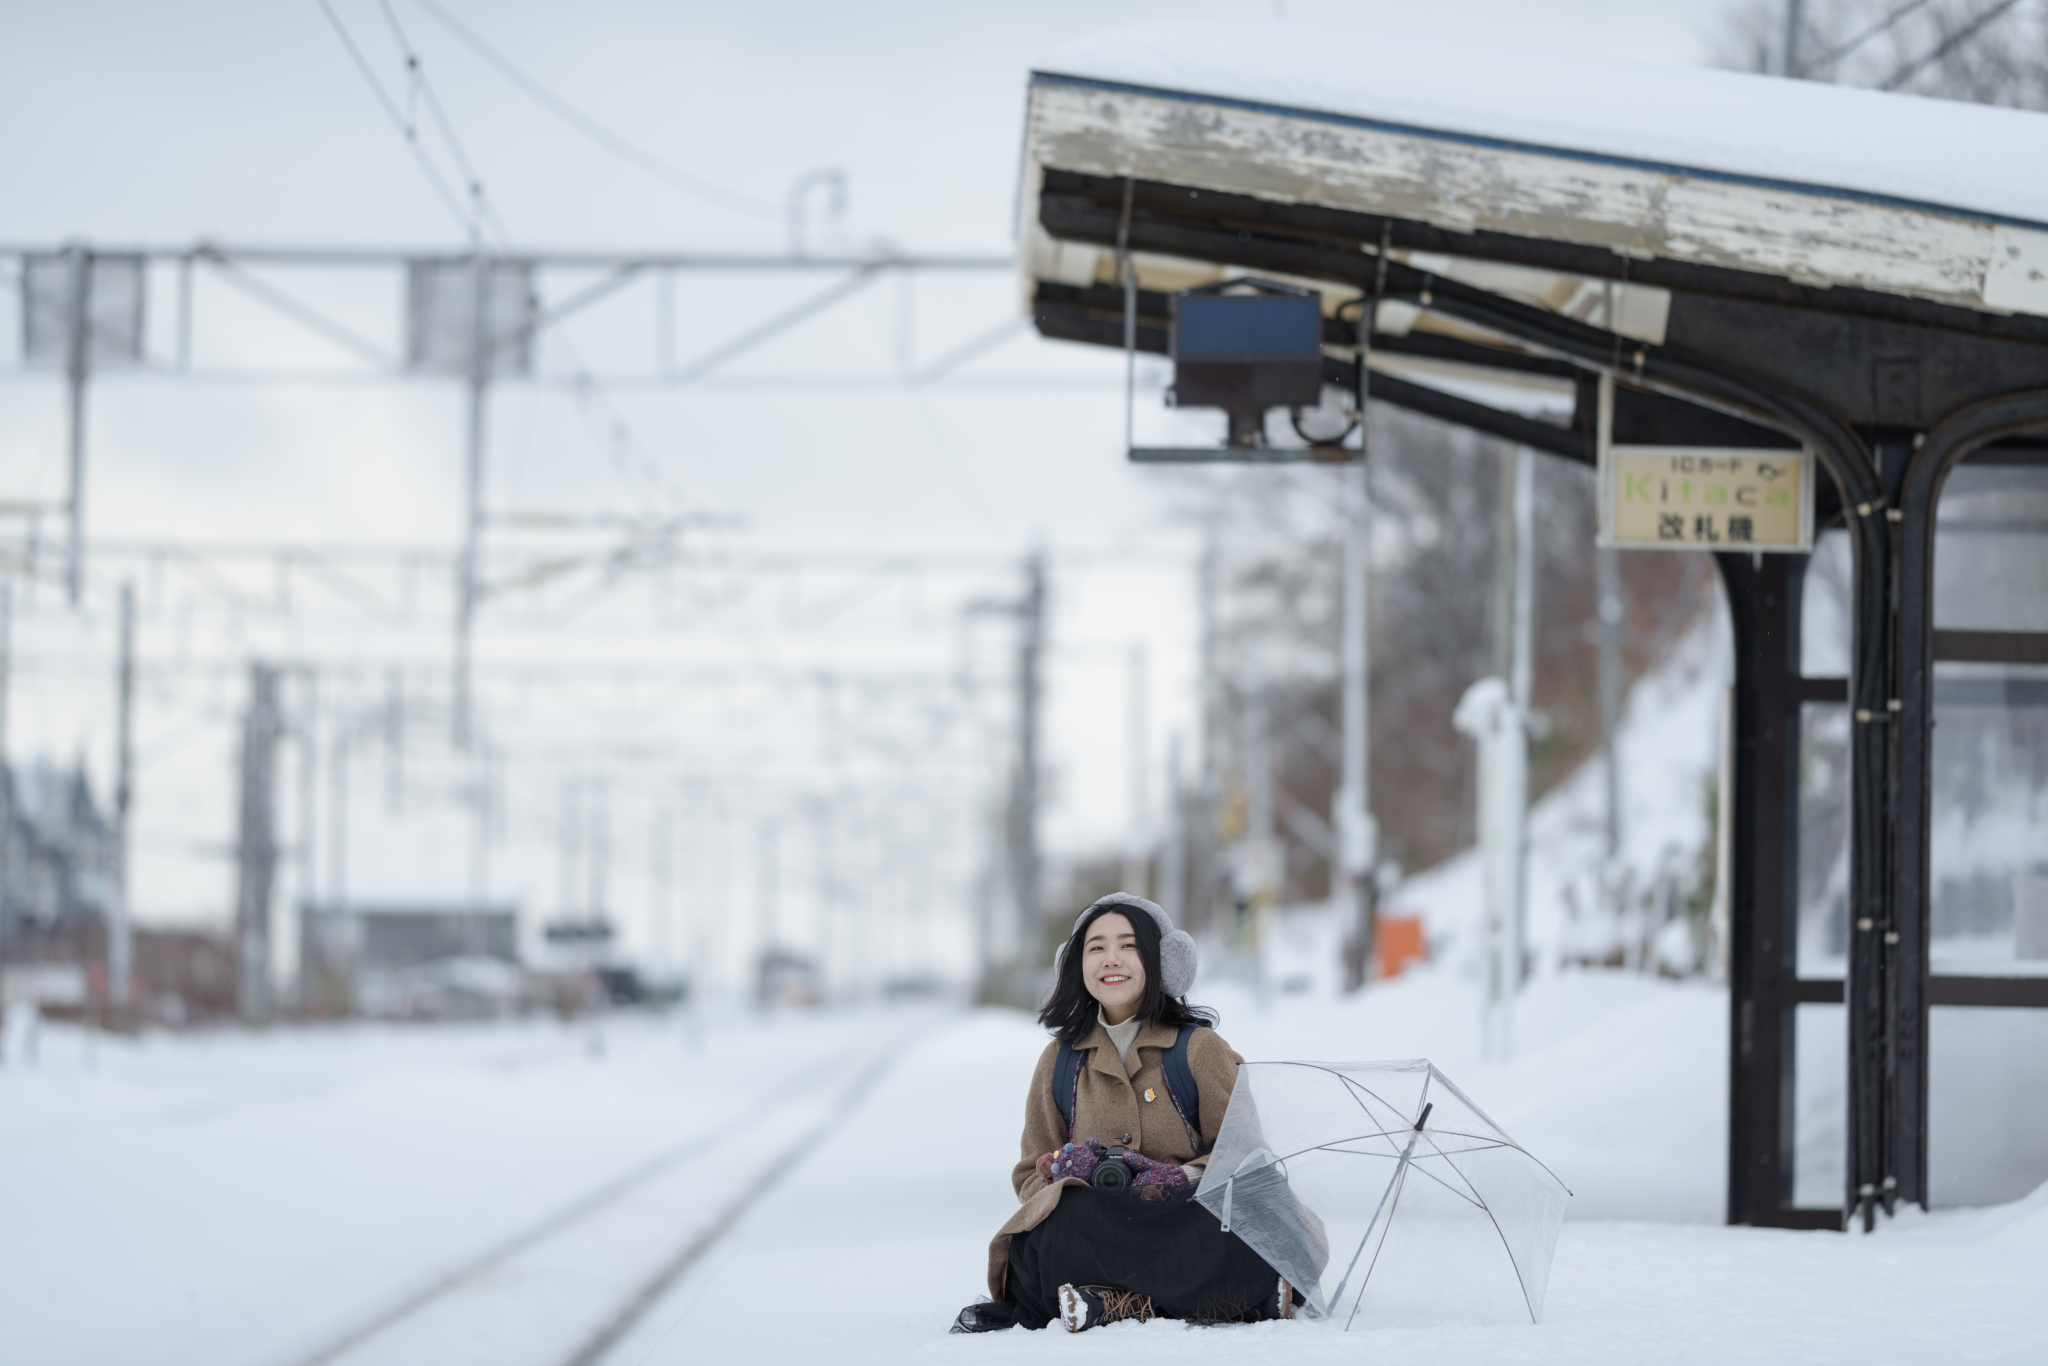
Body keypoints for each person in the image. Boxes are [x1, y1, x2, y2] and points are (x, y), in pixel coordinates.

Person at [951, 893, 1299, 1333]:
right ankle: (1196, 1299)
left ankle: (1119, 1302)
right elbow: (1028, 1175)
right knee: (1056, 1229)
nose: (1110, 959)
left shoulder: (1198, 1050)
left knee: (1230, 1230)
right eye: (1096, 947)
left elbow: (1246, 1158)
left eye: (1128, 945)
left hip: (1183, 1222)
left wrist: (1172, 1179)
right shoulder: (1059, 1061)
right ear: (1078, 964)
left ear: (1159, 960)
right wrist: (1062, 1174)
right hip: (1100, 1230)